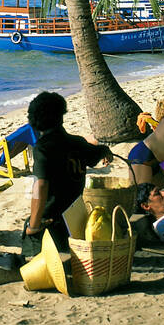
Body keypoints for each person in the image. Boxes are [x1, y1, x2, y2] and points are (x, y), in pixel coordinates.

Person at [23, 91, 113, 249]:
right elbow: (97, 153)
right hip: (74, 213)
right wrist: (106, 151)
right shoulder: (77, 142)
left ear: (34, 119)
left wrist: (33, 225)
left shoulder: (43, 149)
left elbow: (41, 186)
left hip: (53, 217)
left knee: (29, 230)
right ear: (61, 115)